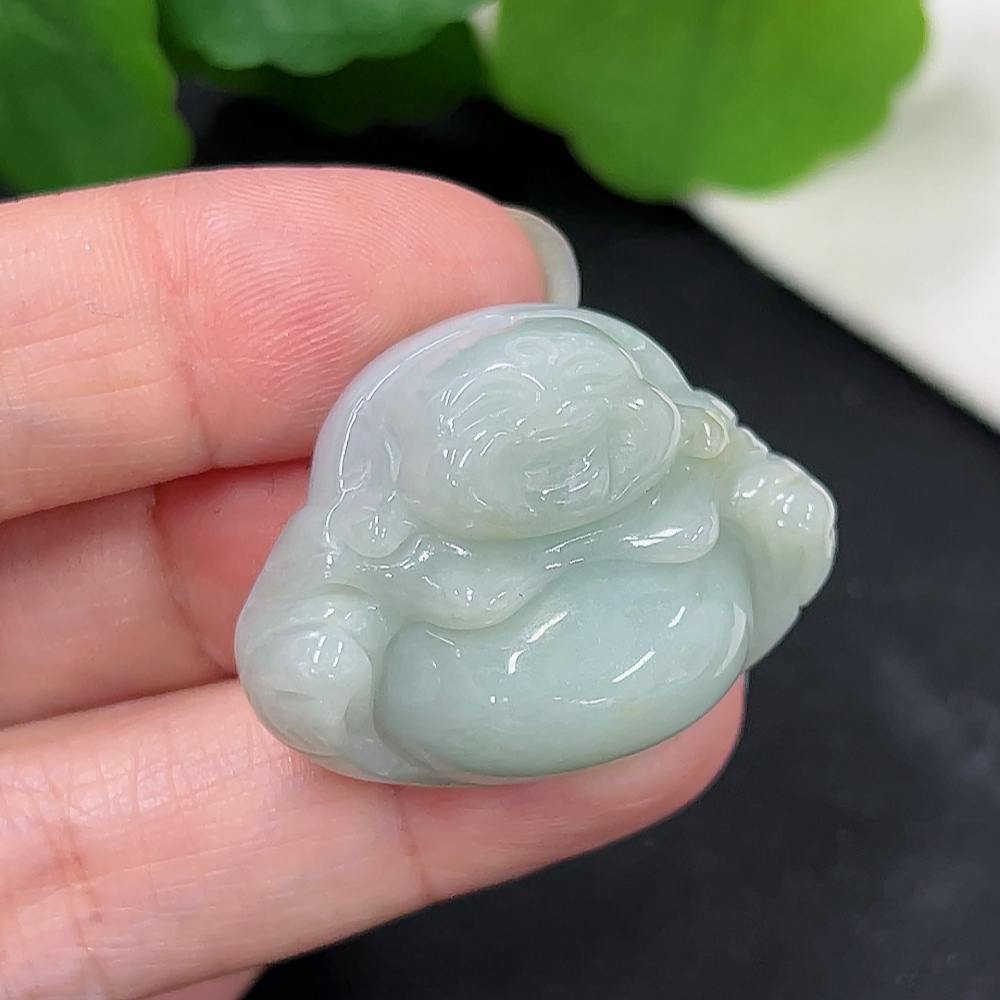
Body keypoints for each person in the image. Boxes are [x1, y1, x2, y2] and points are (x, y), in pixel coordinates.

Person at [0, 167, 744, 1000]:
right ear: (423, 474)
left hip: (676, 647)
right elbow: (320, 613)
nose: (582, 476)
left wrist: (777, 521)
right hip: (471, 714)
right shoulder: (382, 538)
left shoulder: (687, 469)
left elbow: (760, 511)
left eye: (611, 436)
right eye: (534, 464)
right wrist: (313, 668)